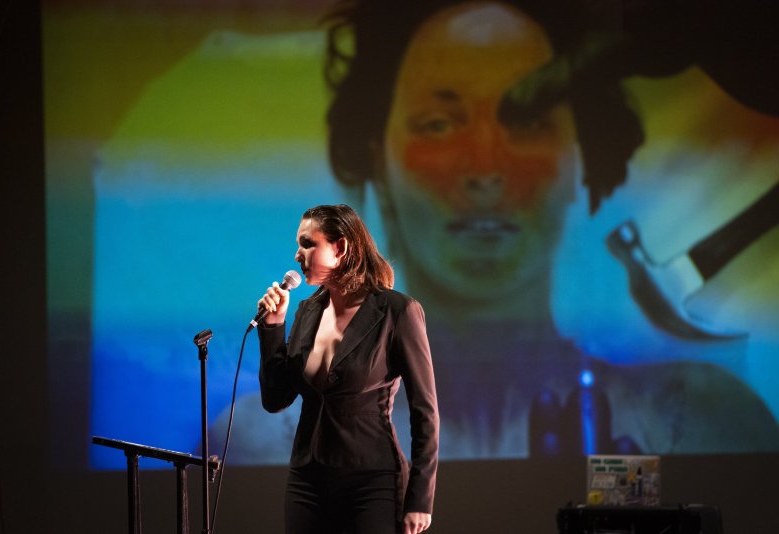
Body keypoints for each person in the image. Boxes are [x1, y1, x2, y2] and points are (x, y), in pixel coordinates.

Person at [322, 0, 779, 457]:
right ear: (379, 163)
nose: (485, 168)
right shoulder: (277, 439)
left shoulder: (698, 421)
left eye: (528, 123)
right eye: (438, 124)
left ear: (581, 158)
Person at [255, 204, 439, 534]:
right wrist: (273, 327)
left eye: (308, 244)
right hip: (307, 481)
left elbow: (425, 411)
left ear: (340, 248)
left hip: (372, 481)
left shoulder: (397, 311)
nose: (298, 255)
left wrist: (420, 499)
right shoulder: (307, 311)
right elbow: (275, 399)